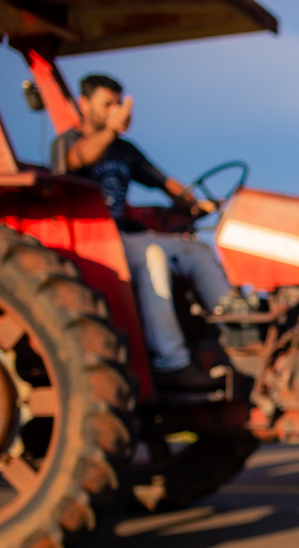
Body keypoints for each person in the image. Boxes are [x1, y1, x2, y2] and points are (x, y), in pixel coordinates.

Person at [52, 73, 232, 391]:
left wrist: (195, 203)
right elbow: (78, 158)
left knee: (197, 251)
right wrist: (109, 131)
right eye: (107, 104)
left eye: (119, 103)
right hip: (93, 242)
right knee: (153, 255)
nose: (116, 110)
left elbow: (164, 182)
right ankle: (172, 362)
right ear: (84, 104)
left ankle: (236, 337)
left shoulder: (125, 150)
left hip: (125, 236)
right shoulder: (68, 143)